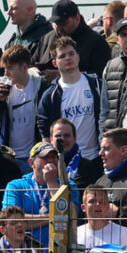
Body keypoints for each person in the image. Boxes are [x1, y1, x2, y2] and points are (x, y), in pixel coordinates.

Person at [37, 37, 107, 189]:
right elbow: (44, 132)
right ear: (55, 63)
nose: (68, 58)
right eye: (62, 56)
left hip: (95, 158)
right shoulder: (50, 95)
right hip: (66, 163)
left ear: (78, 57)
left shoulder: (97, 85)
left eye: (71, 54)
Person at [50, 0, 111, 75]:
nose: (59, 28)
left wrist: (63, 75)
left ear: (77, 18)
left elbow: (101, 74)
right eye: (56, 24)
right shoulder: (47, 39)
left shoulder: (96, 42)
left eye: (64, 23)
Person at [5, 0, 58, 68]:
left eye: (14, 8)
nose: (9, 12)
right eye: (9, 8)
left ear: (30, 10)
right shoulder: (12, 41)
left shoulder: (47, 37)